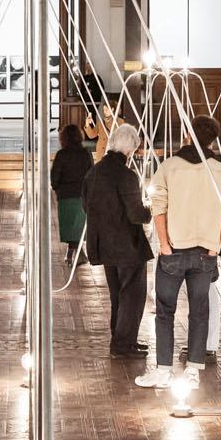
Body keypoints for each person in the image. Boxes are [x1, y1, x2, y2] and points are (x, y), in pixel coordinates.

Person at [135, 115, 221, 389]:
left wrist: (164, 243)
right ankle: (193, 370)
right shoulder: (219, 170)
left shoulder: (170, 167)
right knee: (199, 311)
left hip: (174, 249)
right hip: (206, 251)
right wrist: (217, 241)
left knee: (165, 311)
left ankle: (164, 370)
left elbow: (158, 205)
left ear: (187, 135)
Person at [84, 123, 152, 358]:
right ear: (131, 149)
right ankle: (123, 345)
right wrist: (149, 211)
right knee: (132, 295)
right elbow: (136, 214)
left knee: (117, 294)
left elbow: (86, 206)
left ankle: (122, 339)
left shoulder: (94, 172)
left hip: (104, 244)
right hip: (127, 246)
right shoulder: (126, 175)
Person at [52, 123, 91, 266]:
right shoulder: (85, 153)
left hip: (66, 195)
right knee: (78, 225)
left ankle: (71, 253)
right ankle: (76, 252)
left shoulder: (62, 155)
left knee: (69, 225)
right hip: (82, 194)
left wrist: (57, 188)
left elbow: (55, 176)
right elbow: (90, 173)